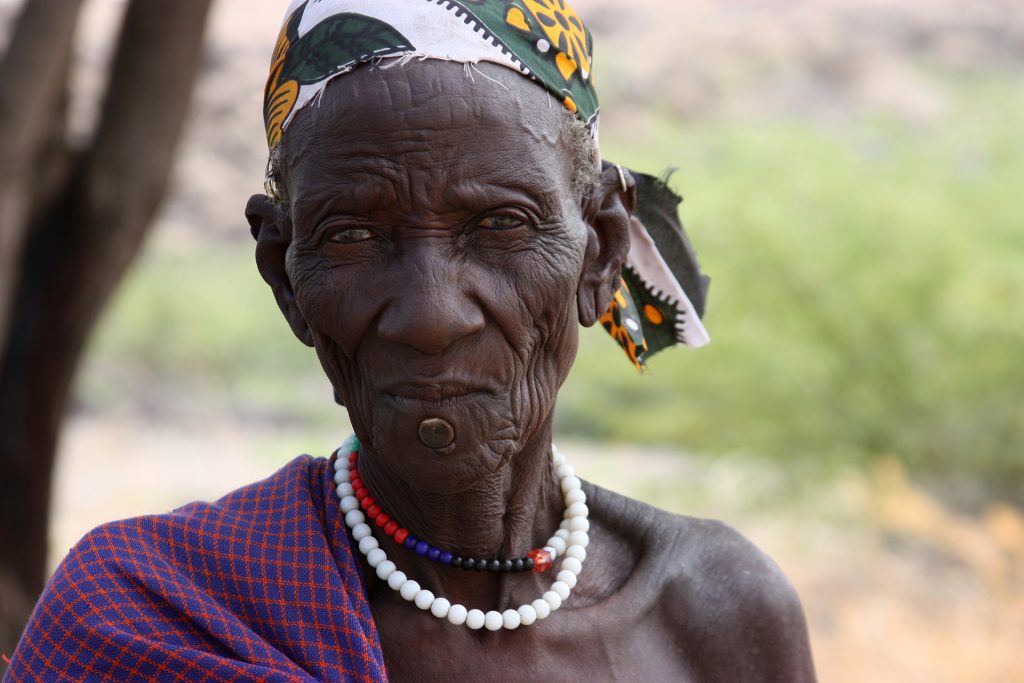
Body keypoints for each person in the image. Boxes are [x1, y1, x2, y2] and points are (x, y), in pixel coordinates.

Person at [4, 1, 816, 680]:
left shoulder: (716, 617)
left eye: (501, 224)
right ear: (285, 274)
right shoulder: (149, 614)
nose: (430, 316)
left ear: (599, 251)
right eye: (354, 235)